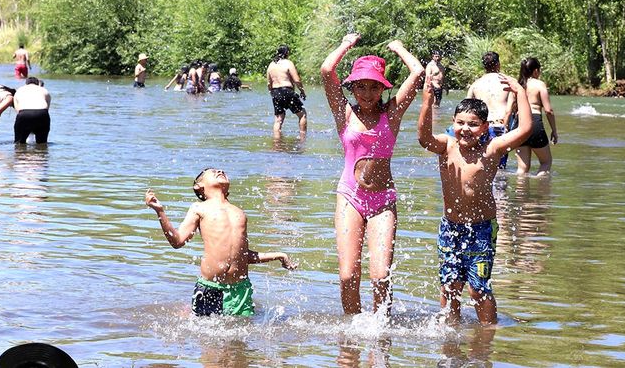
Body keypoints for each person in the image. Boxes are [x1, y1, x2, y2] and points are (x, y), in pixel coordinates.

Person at [320, 34, 424, 316]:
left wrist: (400, 48)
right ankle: (352, 329)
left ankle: (381, 329)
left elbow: (418, 72)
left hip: (383, 201)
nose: (367, 93)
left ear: (382, 88)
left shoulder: (392, 114)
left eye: (374, 87)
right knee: (347, 276)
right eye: (361, 87)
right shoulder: (343, 112)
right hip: (350, 197)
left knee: (380, 277)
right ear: (352, 88)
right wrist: (345, 44)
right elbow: (327, 70)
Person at [417, 75, 532, 325]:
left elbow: (525, 130)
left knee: (477, 289)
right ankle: (451, 332)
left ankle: (487, 334)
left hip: (481, 228)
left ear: (484, 127)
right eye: (460, 123)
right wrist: (426, 101)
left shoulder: (492, 149)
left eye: (473, 124)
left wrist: (520, 92)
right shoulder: (447, 146)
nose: (465, 129)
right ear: (453, 123)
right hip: (450, 227)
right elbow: (424, 139)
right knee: (450, 285)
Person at [144, 168, 297, 317]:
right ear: (199, 186)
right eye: (212, 172)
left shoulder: (239, 213)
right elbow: (177, 241)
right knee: (206, 340)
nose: (220, 171)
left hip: (240, 290)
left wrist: (279, 255)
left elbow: (242, 256)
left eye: (222, 171)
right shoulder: (199, 208)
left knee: (240, 340)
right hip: (211, 287)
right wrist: (160, 212)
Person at [467, 52, 516, 169]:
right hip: (500, 125)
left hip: (482, 127)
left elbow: (466, 108)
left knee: (483, 165)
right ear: (498, 64)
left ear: (484, 66)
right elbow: (509, 109)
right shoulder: (508, 82)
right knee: (500, 168)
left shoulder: (475, 84)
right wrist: (506, 126)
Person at [515, 58, 557, 176]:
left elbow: (510, 109)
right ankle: (541, 193)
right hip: (534, 123)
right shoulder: (539, 84)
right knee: (546, 162)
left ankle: (520, 194)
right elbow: (548, 110)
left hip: (520, 123)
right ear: (535, 71)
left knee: (522, 168)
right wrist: (554, 131)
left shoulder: (519, 85)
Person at [267, 45, 307, 138]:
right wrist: (302, 91)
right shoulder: (288, 63)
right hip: (287, 91)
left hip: (275, 92)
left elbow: (269, 83)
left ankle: (277, 142)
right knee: (302, 114)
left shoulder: (271, 65)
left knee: (278, 119)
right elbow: (297, 80)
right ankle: (303, 138)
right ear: (287, 53)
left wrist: (273, 94)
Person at [13, 77, 51, 144]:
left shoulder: (19, 90)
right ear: (37, 83)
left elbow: (17, 110)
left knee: (19, 143)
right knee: (42, 143)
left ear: (26, 84)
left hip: (24, 114)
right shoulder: (44, 90)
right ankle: (42, 152)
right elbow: (47, 108)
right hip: (42, 113)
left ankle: (19, 152)